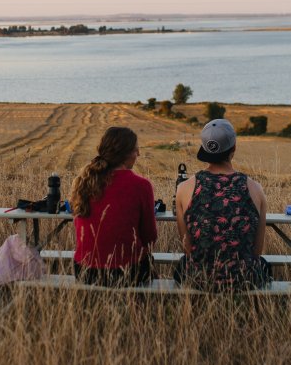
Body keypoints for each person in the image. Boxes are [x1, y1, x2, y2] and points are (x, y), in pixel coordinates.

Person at [174, 118, 271, 291]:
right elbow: (257, 251)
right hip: (245, 279)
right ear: (233, 148)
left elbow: (187, 248)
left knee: (181, 266)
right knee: (265, 266)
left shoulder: (183, 188)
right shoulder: (256, 189)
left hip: (200, 278)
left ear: (204, 149)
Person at [70, 126, 157, 286]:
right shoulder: (141, 185)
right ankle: (140, 309)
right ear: (126, 154)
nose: (138, 154)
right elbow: (150, 238)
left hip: (84, 271)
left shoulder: (84, 181)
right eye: (136, 149)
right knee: (149, 264)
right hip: (125, 272)